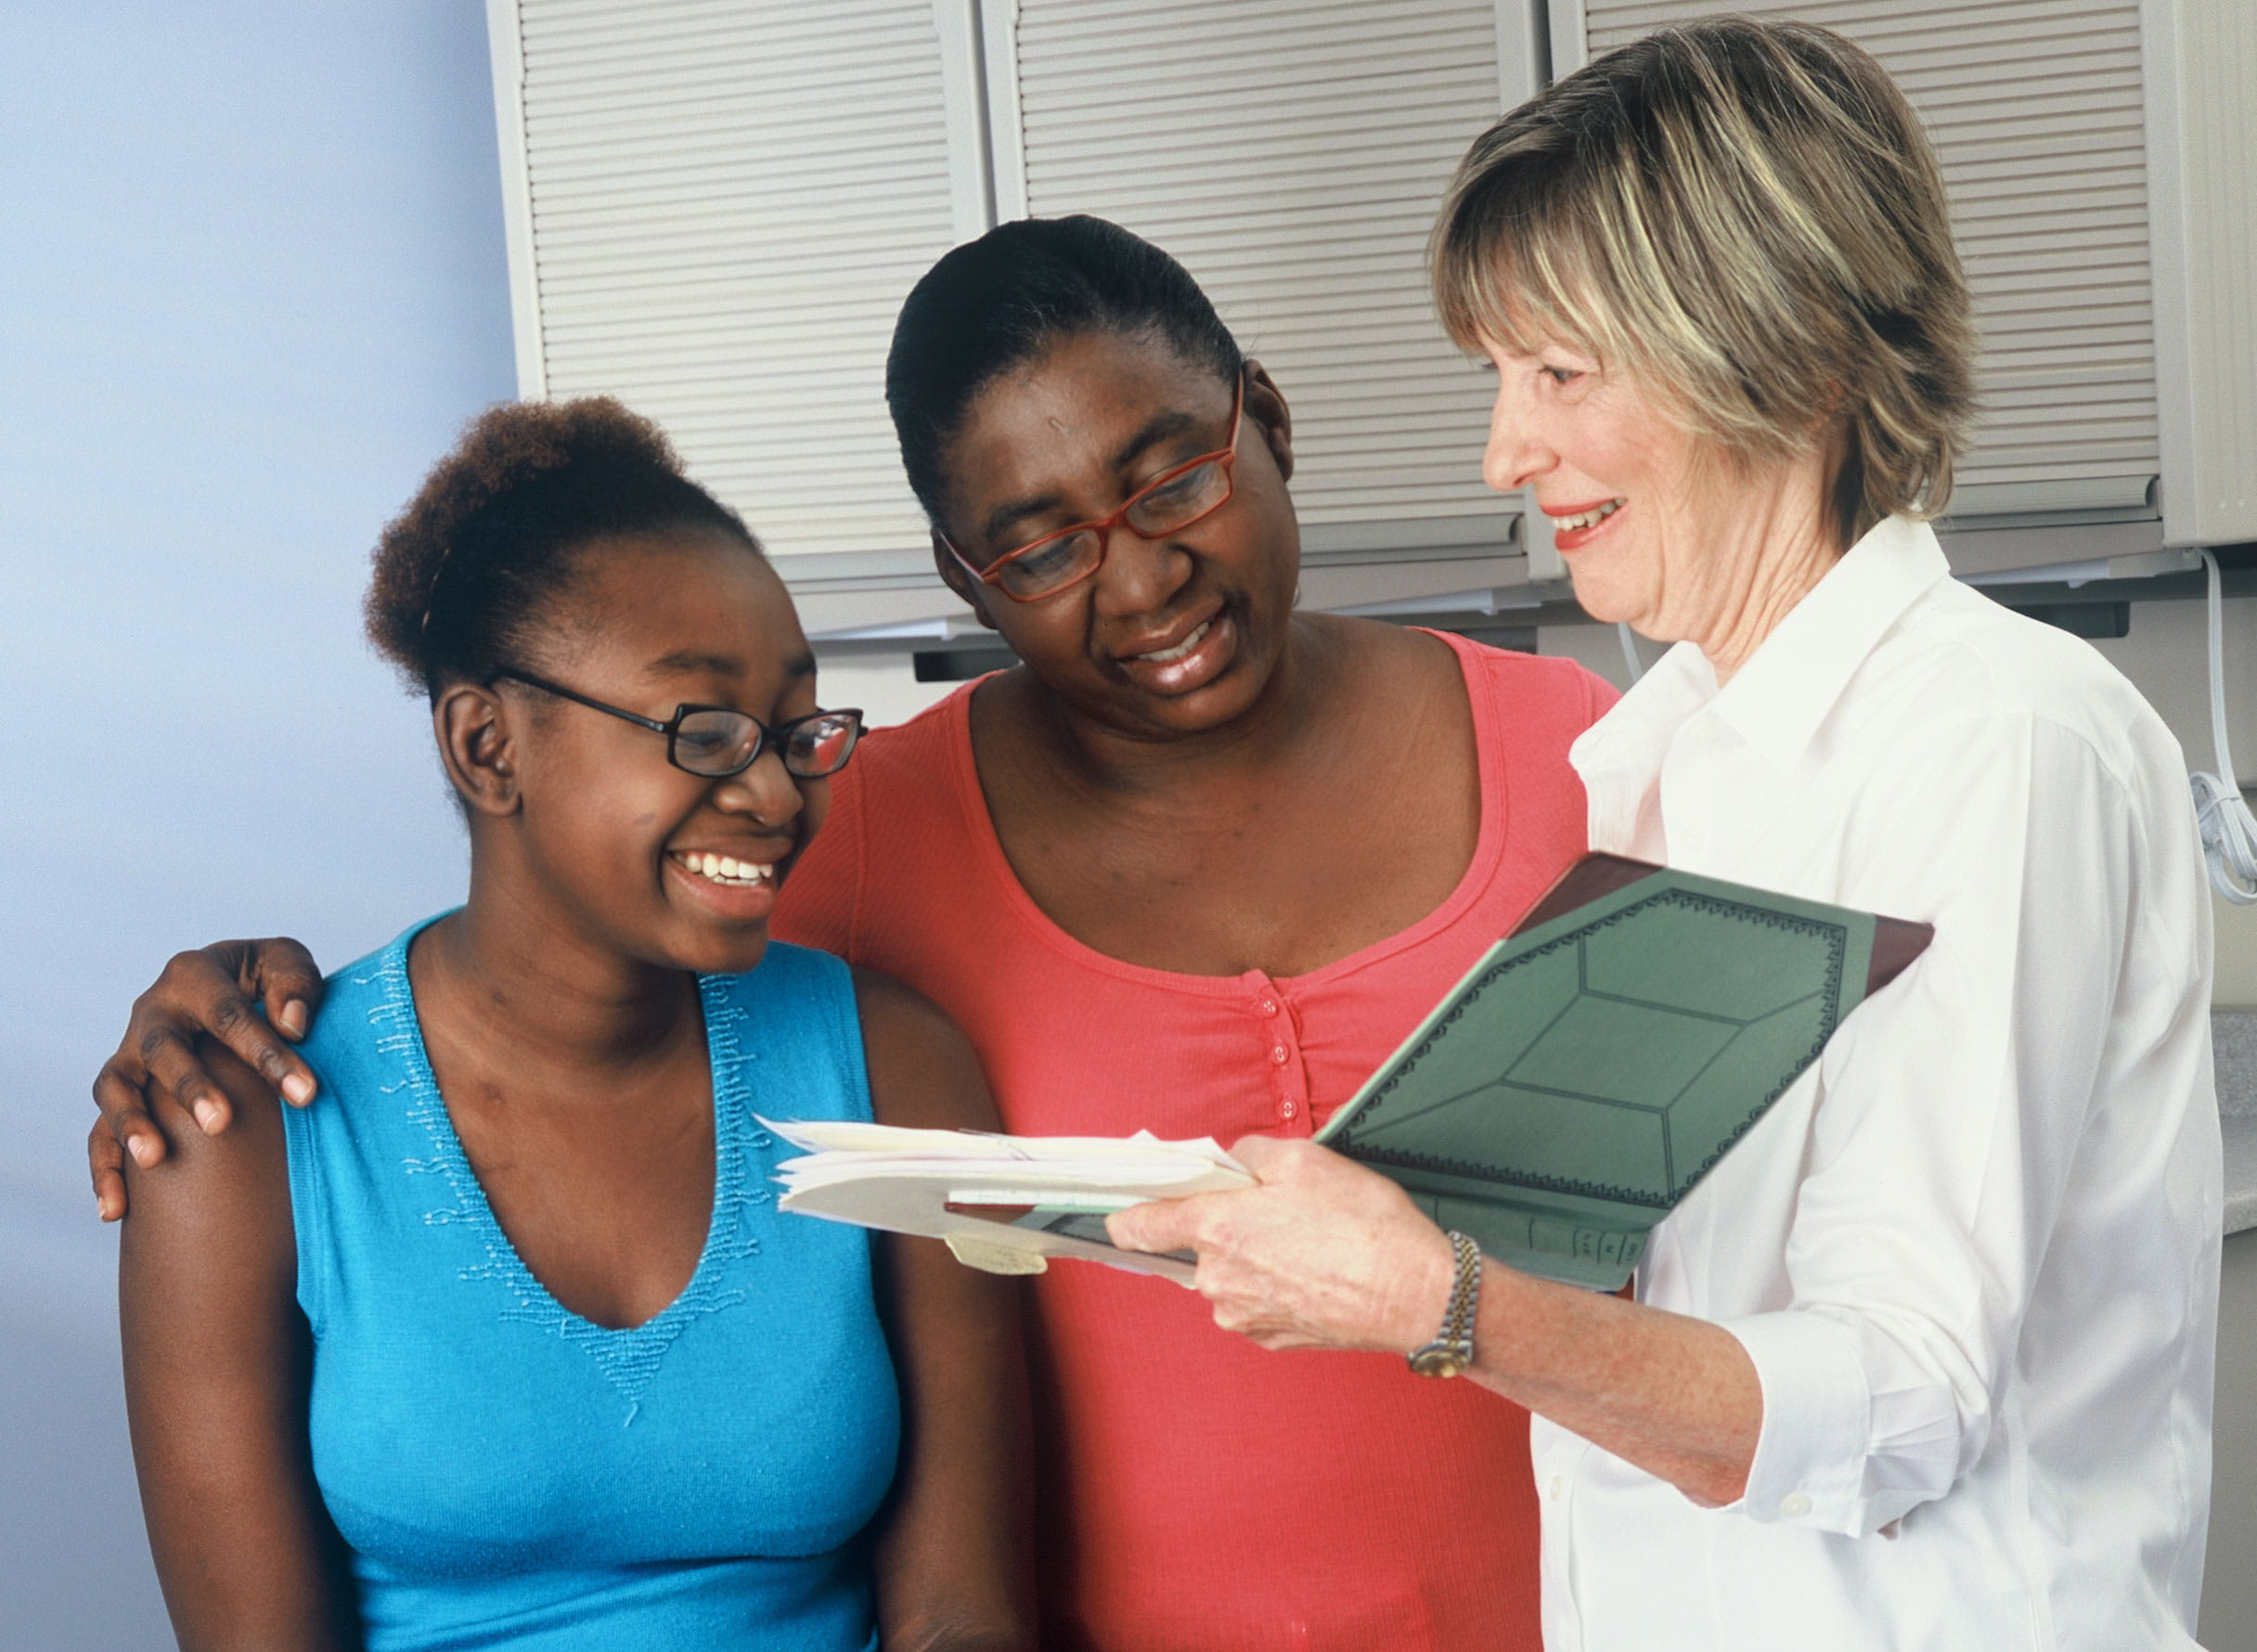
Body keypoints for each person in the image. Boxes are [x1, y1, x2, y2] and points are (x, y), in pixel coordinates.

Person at [91, 217, 1615, 1648]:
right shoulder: (840, 854)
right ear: (969, 576)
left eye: (1172, 483)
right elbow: (589, 936)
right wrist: (211, 996)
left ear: (1263, 421)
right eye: (1039, 546)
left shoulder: (1599, 759)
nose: (1141, 575)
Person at [1104, 18, 2222, 1651]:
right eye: (1499, 376)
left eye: (1562, 373)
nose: (1505, 452)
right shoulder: (1670, 754)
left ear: (1794, 354)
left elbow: (1901, 1400)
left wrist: (1434, 1305)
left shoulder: (1993, 741)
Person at [114, 398, 1033, 1650]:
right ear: (488, 744)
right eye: (700, 729)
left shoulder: (898, 1072)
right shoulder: (242, 1129)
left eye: (794, 727)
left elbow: (959, 1614)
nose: (770, 790)